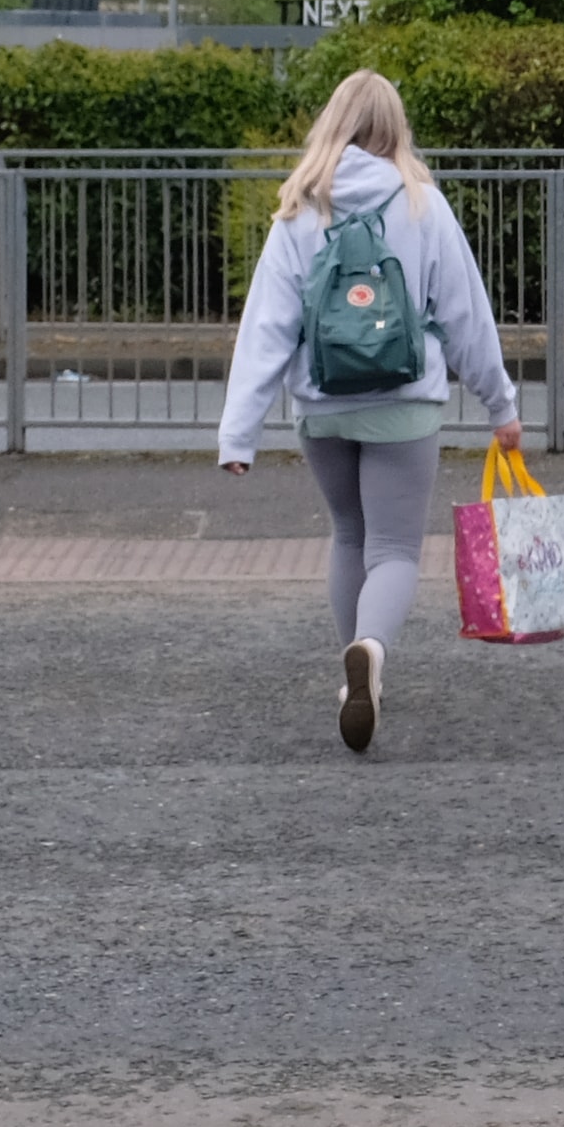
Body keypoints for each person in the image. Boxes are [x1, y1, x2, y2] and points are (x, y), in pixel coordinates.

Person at [215, 68, 519, 754]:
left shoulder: (299, 209)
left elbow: (267, 325)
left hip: (320, 404)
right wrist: (501, 403)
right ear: (394, 129)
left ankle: (353, 665)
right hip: (403, 404)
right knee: (394, 549)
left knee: (348, 535)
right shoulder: (422, 204)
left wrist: (239, 432)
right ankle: (372, 650)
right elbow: (466, 316)